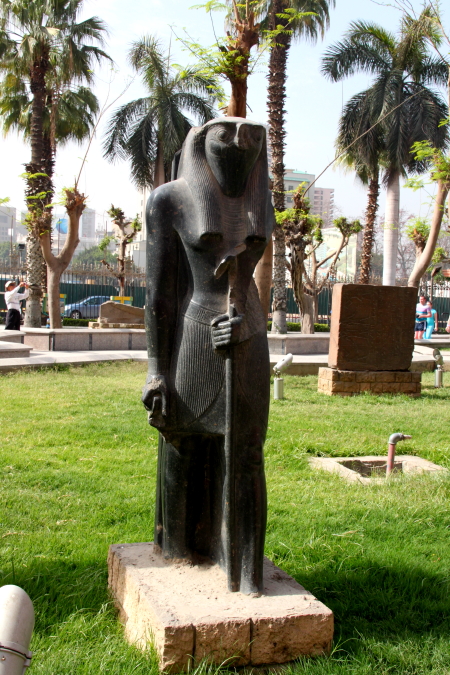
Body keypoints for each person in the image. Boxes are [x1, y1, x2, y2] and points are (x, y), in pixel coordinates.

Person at [142, 118, 274, 594]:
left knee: (247, 454)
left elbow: (246, 283)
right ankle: (180, 551)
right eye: (227, 134)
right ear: (201, 144)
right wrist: (156, 371)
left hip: (247, 334)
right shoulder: (169, 200)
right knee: (183, 442)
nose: (241, 142)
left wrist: (246, 324)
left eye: (252, 135)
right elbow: (160, 295)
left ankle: (244, 567)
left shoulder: (261, 199)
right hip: (195, 333)